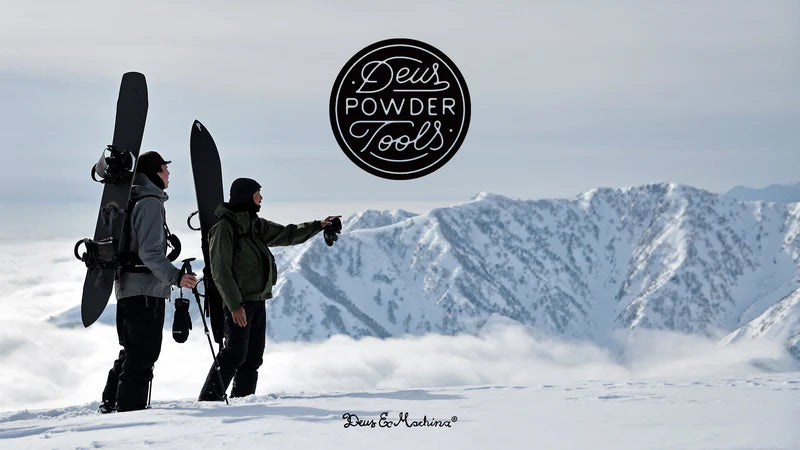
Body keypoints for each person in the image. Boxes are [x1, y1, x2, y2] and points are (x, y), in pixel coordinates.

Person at [198, 178, 339, 401]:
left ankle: (243, 401)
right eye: (257, 194)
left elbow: (287, 234)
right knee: (234, 354)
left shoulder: (255, 225)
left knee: (252, 358)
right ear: (246, 197)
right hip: (239, 304)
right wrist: (234, 305)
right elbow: (220, 271)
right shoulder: (224, 228)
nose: (261, 198)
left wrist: (318, 225)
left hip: (257, 301)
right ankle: (209, 401)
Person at [100, 151, 198, 413]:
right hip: (145, 291)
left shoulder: (131, 201)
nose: (169, 174)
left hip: (126, 288)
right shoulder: (151, 203)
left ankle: (111, 405)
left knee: (131, 352)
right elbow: (150, 253)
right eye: (165, 169)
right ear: (154, 173)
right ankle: (129, 412)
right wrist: (177, 277)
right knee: (143, 355)